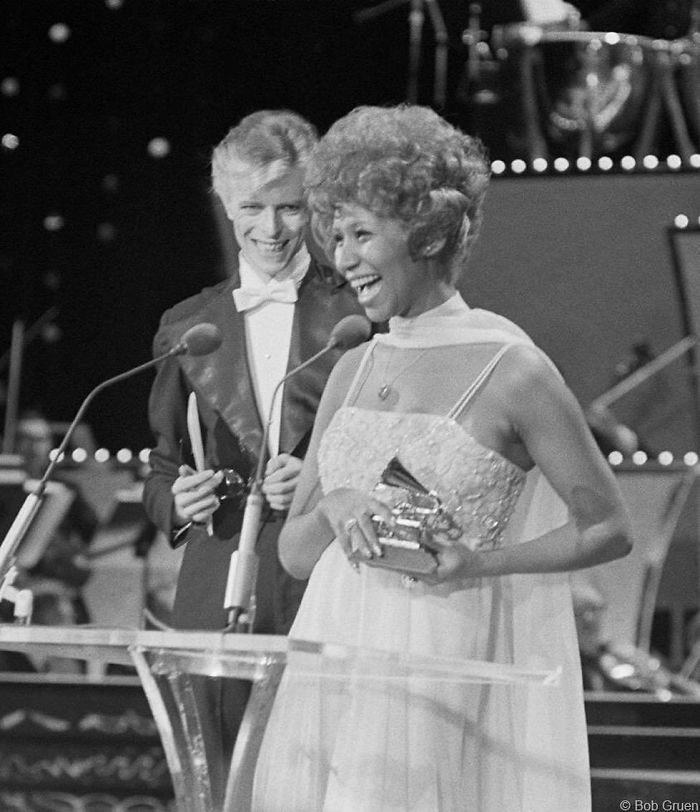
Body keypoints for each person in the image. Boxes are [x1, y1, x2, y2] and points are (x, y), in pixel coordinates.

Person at [252, 104, 633, 811]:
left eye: (362, 233)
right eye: (336, 235)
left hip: (442, 666)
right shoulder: (351, 368)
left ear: (426, 232)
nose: (343, 257)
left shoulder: (512, 368)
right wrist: (335, 505)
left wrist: (480, 563)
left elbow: (608, 526)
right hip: (333, 666)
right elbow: (297, 557)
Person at [141, 109, 365, 804]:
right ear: (224, 203)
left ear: (316, 204)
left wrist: (325, 478)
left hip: (319, 575)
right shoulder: (188, 326)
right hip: (213, 580)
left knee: (314, 769)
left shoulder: (358, 315)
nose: (271, 230)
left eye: (290, 207)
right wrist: (174, 501)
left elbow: (398, 451)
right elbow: (160, 464)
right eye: (252, 209)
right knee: (215, 780)